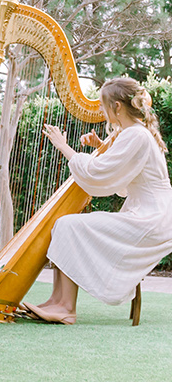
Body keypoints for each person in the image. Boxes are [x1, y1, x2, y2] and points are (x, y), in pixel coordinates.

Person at [23, 77, 172, 324]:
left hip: (152, 219)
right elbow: (123, 174)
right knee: (65, 224)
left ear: (116, 107)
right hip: (150, 213)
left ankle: (66, 307)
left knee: (69, 225)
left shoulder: (136, 135)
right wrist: (101, 146)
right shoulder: (133, 133)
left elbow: (97, 173)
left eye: (103, 106)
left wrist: (63, 146)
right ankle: (56, 301)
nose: (101, 112)